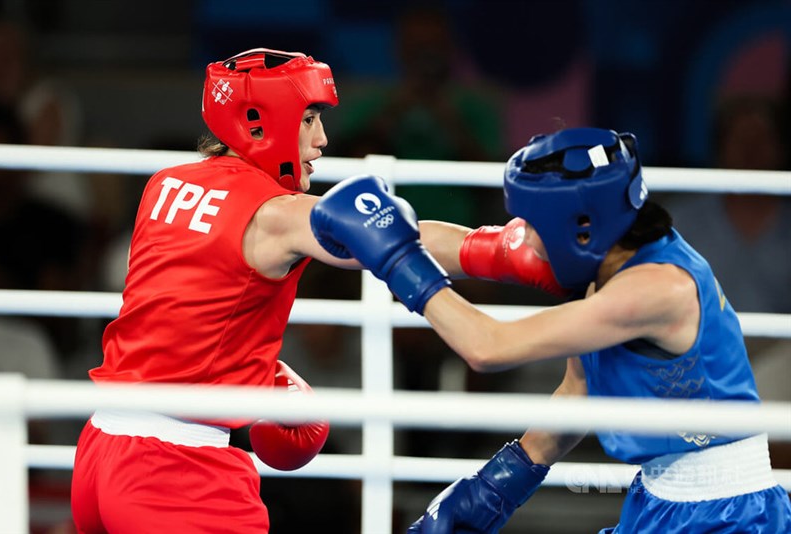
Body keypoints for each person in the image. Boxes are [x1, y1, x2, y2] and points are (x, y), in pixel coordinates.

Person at [69, 47, 567, 533]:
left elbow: (187, 302)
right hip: (176, 471)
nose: (323, 139)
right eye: (309, 118)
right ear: (260, 121)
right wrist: (504, 251)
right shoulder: (276, 215)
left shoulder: (166, 184)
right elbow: (384, 231)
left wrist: (242, 368)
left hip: (100, 448)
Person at [309, 127, 791, 533]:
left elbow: (488, 346)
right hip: (660, 498)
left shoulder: (655, 289)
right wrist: (490, 490)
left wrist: (398, 265)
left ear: (582, 227)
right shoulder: (611, 253)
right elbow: (578, 389)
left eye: (533, 223)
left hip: (726, 512)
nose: (522, 233)